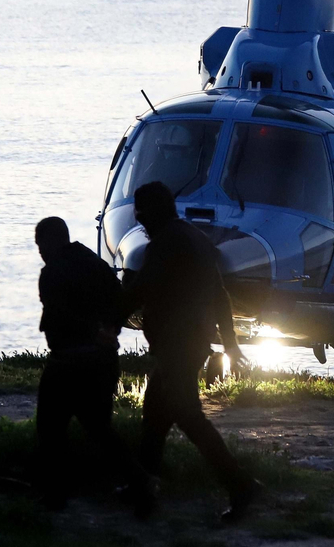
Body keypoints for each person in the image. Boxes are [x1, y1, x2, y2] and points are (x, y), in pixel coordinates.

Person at [123, 181, 260, 521]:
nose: (140, 221)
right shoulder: (194, 239)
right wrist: (229, 343)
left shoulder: (165, 245)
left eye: (141, 213)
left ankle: (241, 485)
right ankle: (143, 487)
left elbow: (139, 291)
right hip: (193, 343)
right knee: (154, 418)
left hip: (178, 346)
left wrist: (108, 319)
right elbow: (220, 295)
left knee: (188, 417)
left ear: (152, 211)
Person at [32, 216, 154, 513]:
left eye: (40, 245)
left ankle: (55, 493)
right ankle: (141, 483)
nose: (40, 252)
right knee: (100, 429)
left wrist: (92, 332)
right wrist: (110, 331)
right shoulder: (95, 263)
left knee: (50, 428)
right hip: (102, 361)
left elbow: (58, 315)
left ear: (50, 241)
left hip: (67, 362)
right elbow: (122, 302)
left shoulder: (51, 273)